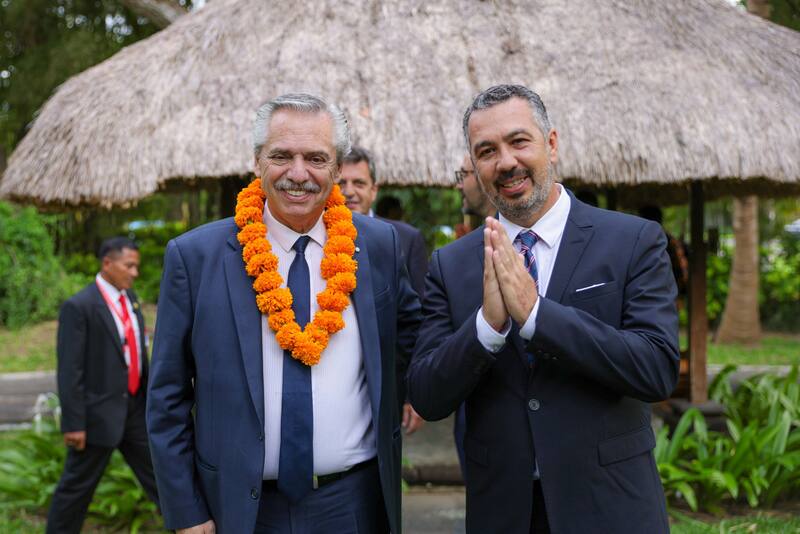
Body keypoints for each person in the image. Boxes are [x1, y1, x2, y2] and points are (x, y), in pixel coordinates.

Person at [408, 84, 679, 533]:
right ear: (475, 164)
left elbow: (655, 369)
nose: (506, 162)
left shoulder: (634, 241)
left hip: (610, 503)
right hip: (503, 510)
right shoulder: (451, 264)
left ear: (550, 144)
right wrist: (487, 328)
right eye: (487, 150)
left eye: (518, 141)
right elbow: (427, 396)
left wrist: (537, 315)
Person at [146, 93, 421, 534]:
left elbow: (413, 337)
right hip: (239, 509)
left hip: (354, 503)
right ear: (257, 161)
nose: (298, 174)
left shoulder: (379, 246)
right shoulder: (195, 257)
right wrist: (186, 510)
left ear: (336, 168)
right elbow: (166, 397)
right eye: (281, 156)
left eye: (316, 158)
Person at [47, 237, 158, 534]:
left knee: (164, 480)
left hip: (135, 410)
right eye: (129, 265)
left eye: (137, 266)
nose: (135, 272)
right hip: (97, 416)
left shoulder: (131, 299)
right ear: (107, 263)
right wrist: (74, 423)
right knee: (75, 490)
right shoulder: (79, 306)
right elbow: (70, 369)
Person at [338, 145, 427, 435]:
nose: (349, 191)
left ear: (374, 190)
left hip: (388, 381)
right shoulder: (311, 238)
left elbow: (418, 320)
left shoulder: (404, 238)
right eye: (342, 183)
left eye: (359, 183)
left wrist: (411, 394)